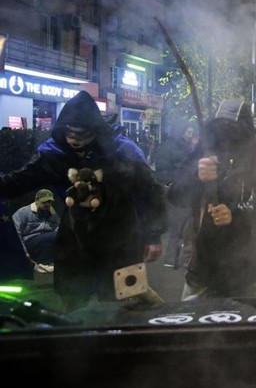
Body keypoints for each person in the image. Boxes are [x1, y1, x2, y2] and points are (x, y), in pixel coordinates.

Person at [0, 91, 165, 309]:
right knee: (74, 305)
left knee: (128, 305)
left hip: (121, 238)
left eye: (82, 134)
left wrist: (152, 235)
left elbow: (149, 190)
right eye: (70, 133)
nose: (75, 140)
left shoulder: (121, 151)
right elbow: (19, 181)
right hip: (75, 240)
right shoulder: (55, 153)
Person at [169, 100, 256, 300]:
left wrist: (235, 216)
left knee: (252, 327)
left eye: (235, 134)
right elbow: (175, 196)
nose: (227, 140)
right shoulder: (201, 160)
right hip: (202, 268)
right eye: (221, 132)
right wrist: (195, 176)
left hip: (248, 269)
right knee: (192, 326)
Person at [154, 122, 196, 269]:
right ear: (181, 132)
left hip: (182, 192)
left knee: (180, 229)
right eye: (188, 132)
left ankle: (173, 260)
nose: (191, 136)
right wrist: (174, 182)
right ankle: (174, 260)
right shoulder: (176, 148)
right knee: (179, 228)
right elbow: (164, 171)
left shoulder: (179, 146)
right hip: (177, 194)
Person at [13, 189, 60, 273]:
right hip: (28, 242)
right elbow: (16, 233)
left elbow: (57, 227)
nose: (47, 204)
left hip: (44, 241)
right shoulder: (23, 212)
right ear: (36, 200)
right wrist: (24, 252)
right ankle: (44, 263)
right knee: (52, 236)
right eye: (44, 202)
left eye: (49, 202)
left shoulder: (52, 213)